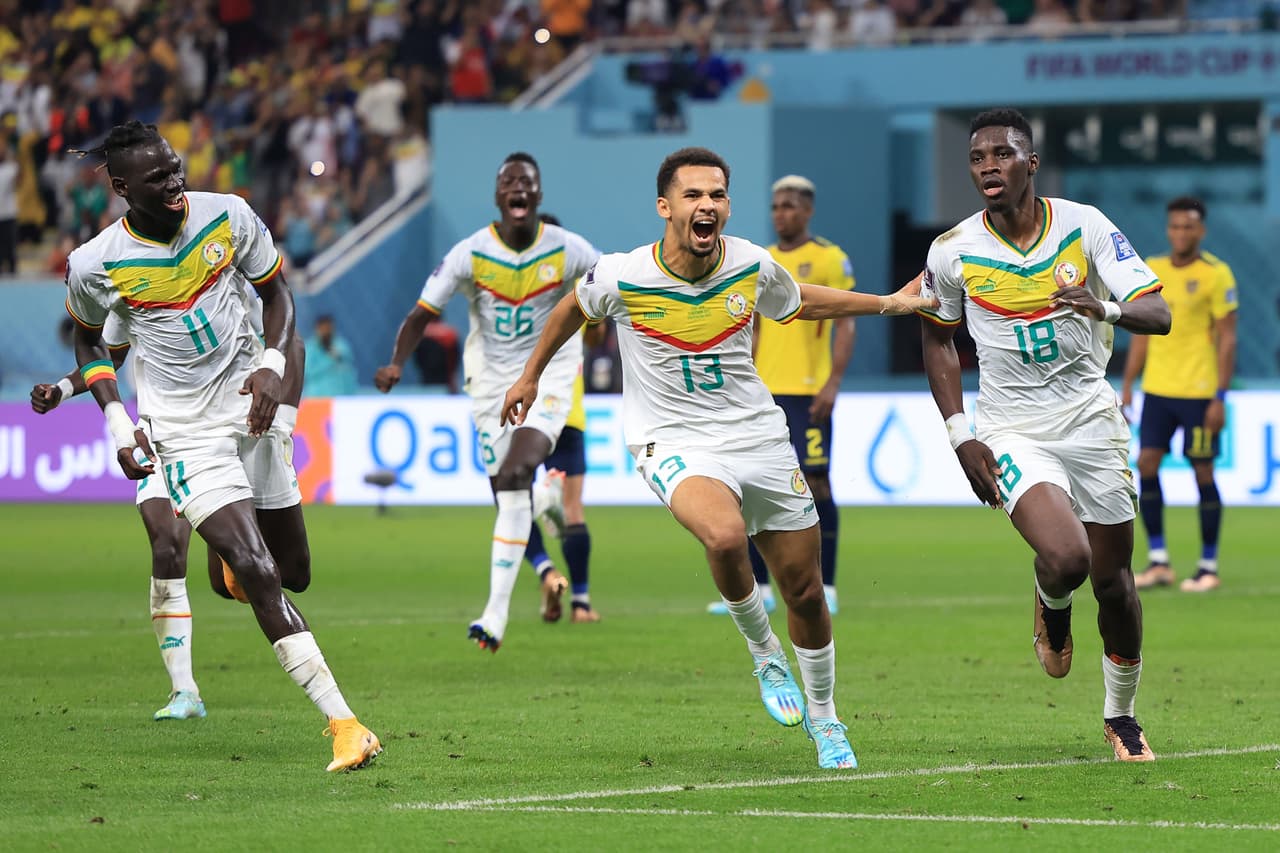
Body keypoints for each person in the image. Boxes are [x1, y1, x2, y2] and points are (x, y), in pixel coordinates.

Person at [502, 146, 935, 769]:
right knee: (726, 536)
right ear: (665, 207)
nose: (707, 206)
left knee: (806, 593)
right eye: (693, 195)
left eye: (718, 195)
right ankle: (765, 655)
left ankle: (827, 719)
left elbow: (803, 302)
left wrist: (891, 302)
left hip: (757, 436)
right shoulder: (623, 274)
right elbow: (573, 305)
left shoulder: (750, 264)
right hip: (671, 440)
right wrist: (530, 376)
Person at [64, 121, 379, 772]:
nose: (175, 182)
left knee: (293, 571)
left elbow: (277, 294)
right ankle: (345, 723)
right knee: (261, 571)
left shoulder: (228, 216)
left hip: (252, 406)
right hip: (186, 431)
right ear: (123, 189)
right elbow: (91, 342)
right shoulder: (96, 263)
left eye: (177, 168)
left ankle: (234, 562)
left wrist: (270, 364)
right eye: (158, 178)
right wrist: (119, 423)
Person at [917, 109, 1171, 762]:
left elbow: (1158, 311)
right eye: (977, 158)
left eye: (1002, 154)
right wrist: (959, 433)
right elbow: (937, 336)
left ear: (1031, 163)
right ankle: (1050, 593)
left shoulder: (1083, 225)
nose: (988, 167)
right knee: (1069, 558)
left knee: (1114, 582)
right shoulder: (952, 250)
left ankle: (1121, 715)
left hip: (1091, 420)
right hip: (1011, 427)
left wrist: (1104, 306)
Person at [30, 309, 310, 721]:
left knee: (276, 577)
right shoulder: (132, 286)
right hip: (162, 433)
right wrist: (61, 389)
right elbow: (107, 356)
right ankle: (184, 691)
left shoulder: (224, 282)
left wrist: (284, 422)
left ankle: (235, 563)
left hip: (228, 433)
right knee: (166, 546)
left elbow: (292, 344)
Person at [375, 152, 599, 652]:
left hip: (548, 374)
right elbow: (420, 313)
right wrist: (395, 362)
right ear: (499, 196)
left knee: (517, 476)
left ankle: (494, 615)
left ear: (538, 196)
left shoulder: (569, 250)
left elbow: (619, 290)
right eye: (509, 181)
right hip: (488, 382)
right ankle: (546, 503)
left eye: (528, 181)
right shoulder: (470, 253)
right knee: (511, 493)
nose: (519, 187)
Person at [707, 174, 854, 617]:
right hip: (763, 395)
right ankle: (761, 588)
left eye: (789, 206)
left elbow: (845, 322)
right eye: (775, 207)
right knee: (751, 486)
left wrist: (832, 383)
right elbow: (750, 326)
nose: (780, 214)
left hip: (809, 393)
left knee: (816, 483)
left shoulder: (829, 258)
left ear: (807, 211)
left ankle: (826, 584)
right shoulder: (761, 260)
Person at [1122, 197, 1237, 593]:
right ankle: (1159, 561)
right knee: (1146, 464)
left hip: (1200, 392)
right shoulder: (1153, 270)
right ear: (1168, 229)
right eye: (1175, 227)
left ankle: (1208, 565)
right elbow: (1142, 332)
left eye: (1188, 227)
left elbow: (1227, 339)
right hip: (1158, 390)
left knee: (1202, 469)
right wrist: (1127, 385)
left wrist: (1220, 396)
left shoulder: (1216, 275)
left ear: (1200, 231)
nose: (1181, 233)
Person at [303, 313, 358, 396]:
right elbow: (307, 371)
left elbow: (348, 360)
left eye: (329, 328)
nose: (326, 331)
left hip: (343, 397)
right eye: (323, 329)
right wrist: (329, 360)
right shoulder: (310, 348)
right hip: (317, 398)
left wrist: (338, 356)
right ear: (317, 329)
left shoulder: (340, 343)